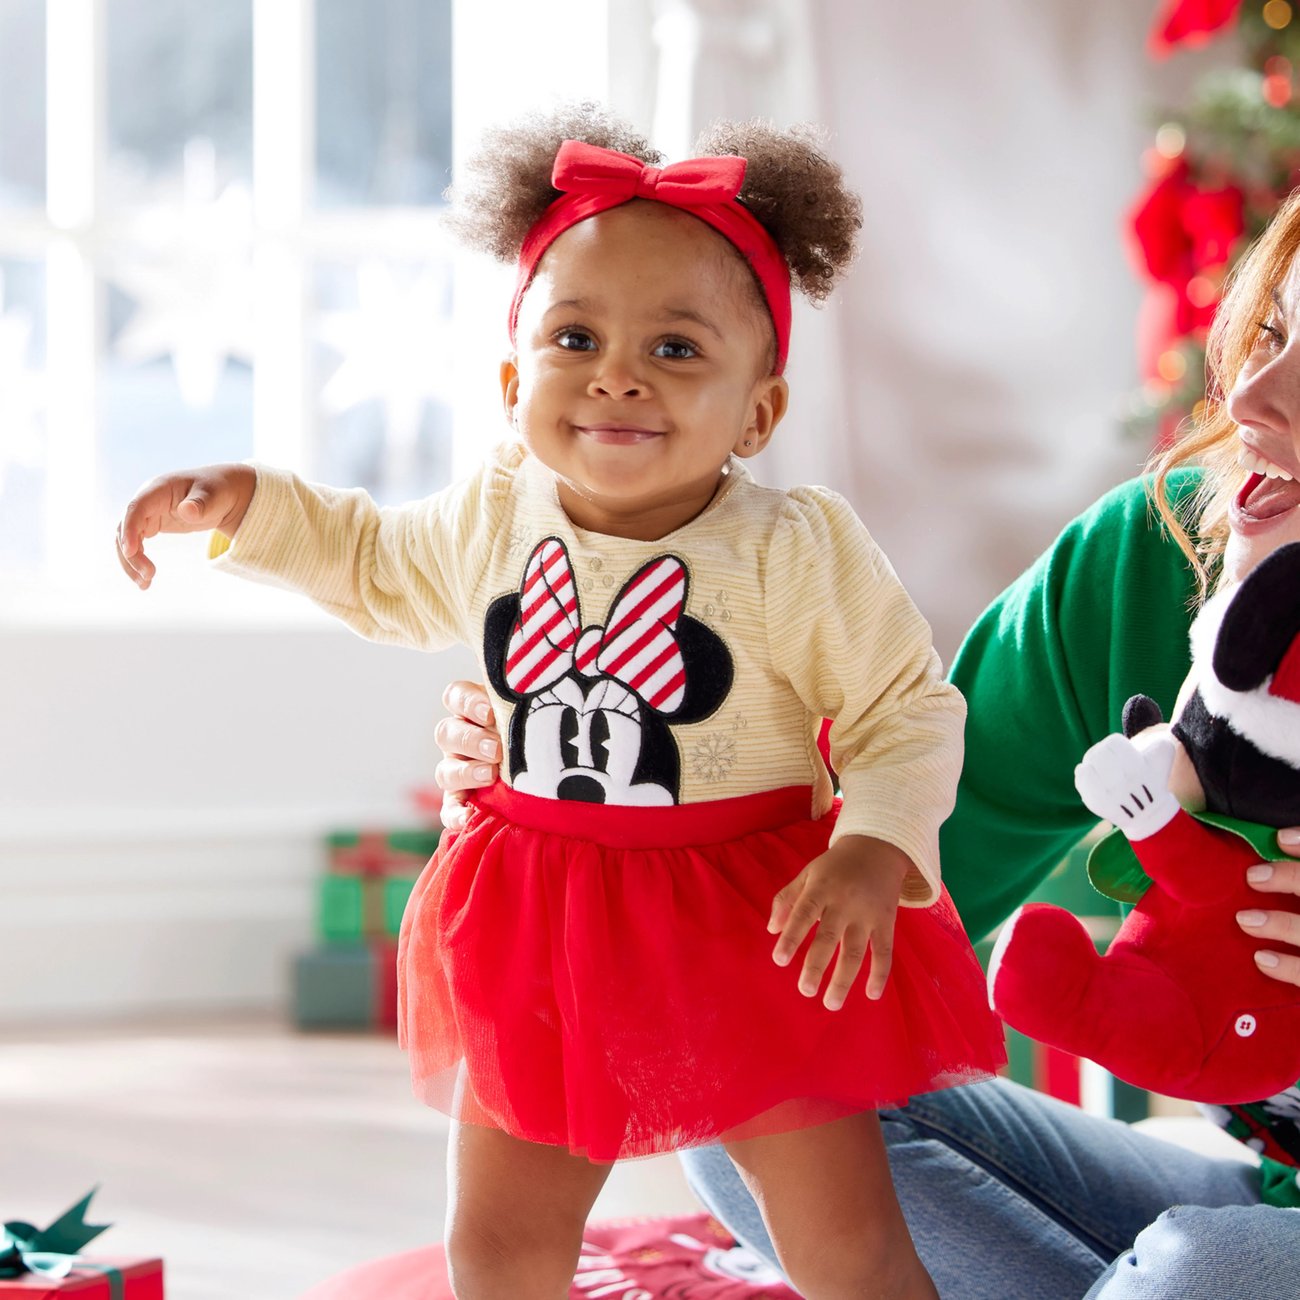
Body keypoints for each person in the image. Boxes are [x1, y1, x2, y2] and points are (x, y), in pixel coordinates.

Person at [114, 105, 1005, 1300]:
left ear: (760, 410)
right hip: (537, 918)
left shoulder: (794, 550)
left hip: (748, 923)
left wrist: (871, 842)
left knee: (840, 1243)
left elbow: (907, 707)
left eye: (677, 349)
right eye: (574, 337)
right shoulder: (495, 509)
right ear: (510, 376)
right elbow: (376, 562)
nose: (618, 375)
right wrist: (247, 504)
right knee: (495, 1243)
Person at [434, 188, 1300, 1297]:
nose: (1259, 400)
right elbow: (891, 870)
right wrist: (572, 743)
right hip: (1262, 1204)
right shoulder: (1153, 558)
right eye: (1268, 336)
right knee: (764, 1073)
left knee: (1194, 1275)